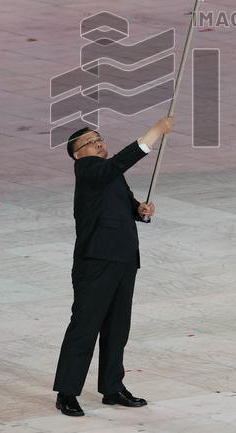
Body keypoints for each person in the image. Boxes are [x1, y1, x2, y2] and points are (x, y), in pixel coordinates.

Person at [53, 117, 174, 417]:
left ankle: (112, 386)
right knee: (85, 326)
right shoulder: (89, 169)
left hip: (123, 259)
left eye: (99, 139)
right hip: (96, 262)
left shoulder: (107, 174)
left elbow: (124, 202)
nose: (98, 144)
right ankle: (67, 391)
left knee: (117, 327)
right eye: (90, 143)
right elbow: (120, 162)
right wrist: (155, 132)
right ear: (77, 154)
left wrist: (139, 210)